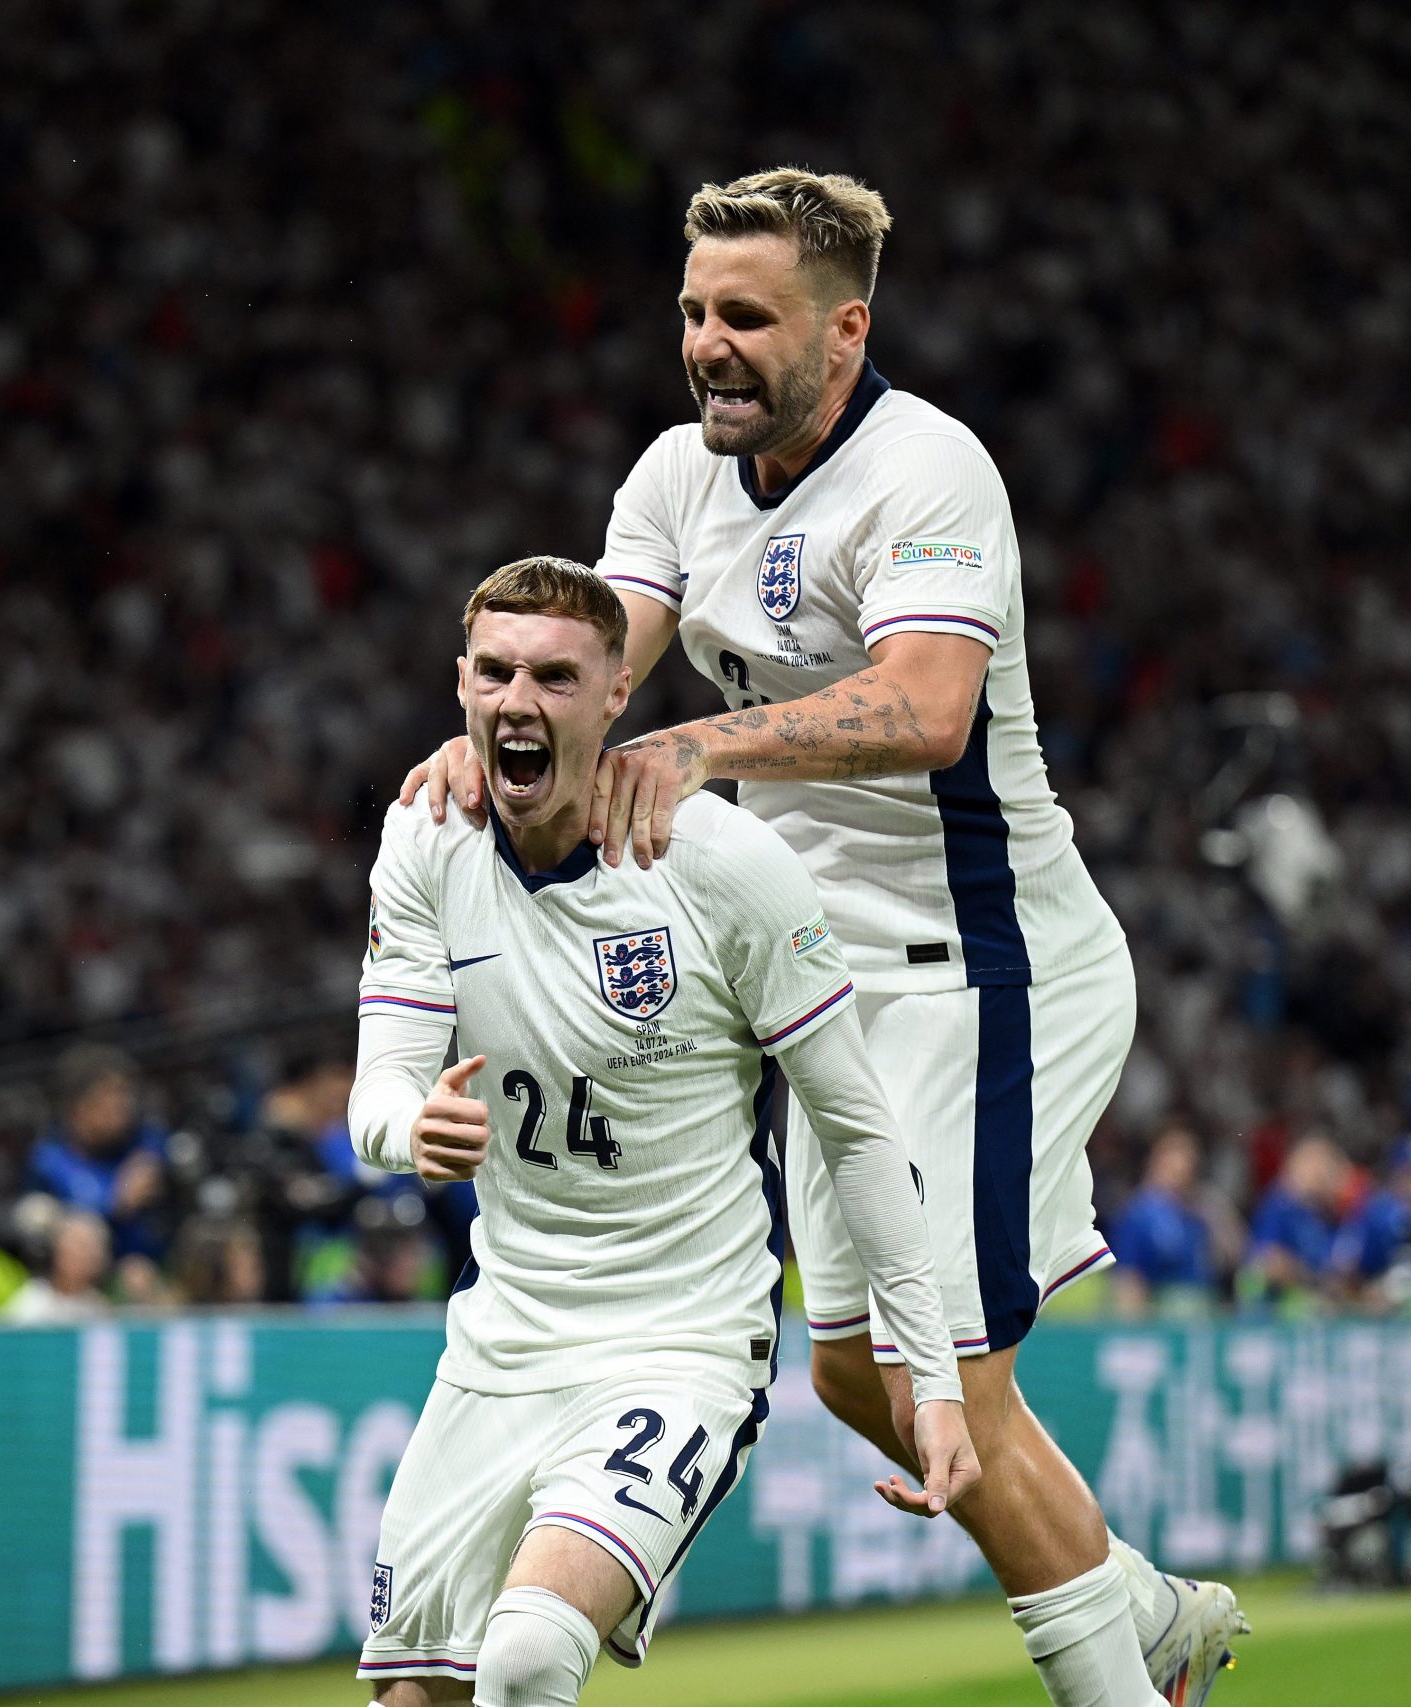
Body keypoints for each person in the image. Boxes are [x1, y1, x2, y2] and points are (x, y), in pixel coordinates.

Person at [403, 170, 1240, 1706]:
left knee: (954, 1382)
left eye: (746, 318)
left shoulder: (929, 473)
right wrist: (497, 741)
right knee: (859, 1367)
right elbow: (605, 667)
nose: (708, 345)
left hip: (989, 976)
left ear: (845, 331)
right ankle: (1144, 1608)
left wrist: (708, 752)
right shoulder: (672, 478)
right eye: (692, 314)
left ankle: (1128, 1683)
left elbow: (928, 709)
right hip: (827, 989)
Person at [353, 560, 977, 1707]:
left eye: (553, 676)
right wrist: (413, 1128)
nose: (517, 701)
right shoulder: (426, 841)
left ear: (615, 696)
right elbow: (378, 1091)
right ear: (460, 687)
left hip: (681, 1342)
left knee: (532, 1652)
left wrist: (927, 1372)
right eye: (494, 673)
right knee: (414, 1700)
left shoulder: (723, 865)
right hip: (501, 1345)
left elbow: (854, 1125)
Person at [27, 1044, 174, 1286]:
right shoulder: (49, 1162)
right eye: (108, 1095)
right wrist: (116, 1204)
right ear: (77, 1108)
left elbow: (162, 1149)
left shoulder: (145, 1142)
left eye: (125, 1094)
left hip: (155, 1280)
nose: (121, 1106)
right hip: (87, 1289)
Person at [1107, 1124, 1217, 1316]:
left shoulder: (1194, 1213)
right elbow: (1128, 1277)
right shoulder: (1139, 1212)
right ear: (1159, 1159)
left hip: (1198, 1318)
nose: (1186, 1167)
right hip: (1162, 1321)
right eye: (1178, 1156)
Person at [1330, 1134, 1411, 1310]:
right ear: (1398, 1173)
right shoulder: (1377, 1211)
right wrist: (1366, 1291)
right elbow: (1344, 1265)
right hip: (1372, 1306)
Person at [1240, 1135, 1349, 1307]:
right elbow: (1268, 1260)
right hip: (1276, 1306)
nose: (1322, 1172)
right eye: (1315, 1163)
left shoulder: (1325, 1213)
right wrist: (1309, 1279)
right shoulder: (1280, 1205)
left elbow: (1336, 1265)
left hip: (1315, 1300)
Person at [5, 1208, 112, 1322]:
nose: (86, 1256)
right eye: (79, 1246)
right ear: (57, 1250)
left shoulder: (98, 1308)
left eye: (91, 1249)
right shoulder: (32, 1299)